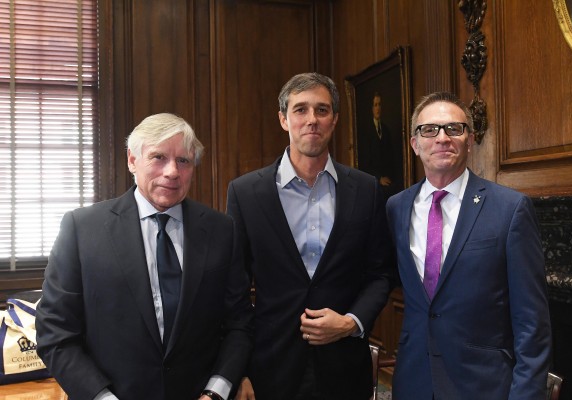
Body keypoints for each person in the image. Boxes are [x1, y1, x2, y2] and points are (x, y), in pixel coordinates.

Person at [36, 113, 254, 400]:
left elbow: (240, 323)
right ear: (132, 160)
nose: (172, 172)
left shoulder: (221, 230)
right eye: (158, 157)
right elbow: (56, 333)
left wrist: (217, 390)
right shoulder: (82, 229)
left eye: (184, 161)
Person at [226, 73, 394, 400]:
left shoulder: (366, 189)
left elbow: (381, 273)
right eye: (300, 110)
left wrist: (351, 322)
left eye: (322, 110)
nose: (311, 120)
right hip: (269, 370)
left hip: (345, 368)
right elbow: (233, 288)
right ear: (283, 119)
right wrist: (238, 370)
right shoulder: (246, 192)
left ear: (335, 120)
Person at [386, 92, 552, 399]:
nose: (442, 138)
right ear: (414, 144)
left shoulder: (510, 208)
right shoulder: (396, 207)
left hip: (483, 385)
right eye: (429, 129)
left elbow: (532, 322)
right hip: (413, 381)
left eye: (454, 128)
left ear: (470, 139)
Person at [358, 92, 398, 199]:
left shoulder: (386, 130)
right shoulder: (366, 131)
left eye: (379, 105)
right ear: (371, 108)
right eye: (375, 105)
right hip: (373, 181)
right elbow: (364, 163)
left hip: (388, 181)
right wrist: (379, 178)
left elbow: (391, 159)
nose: (378, 108)